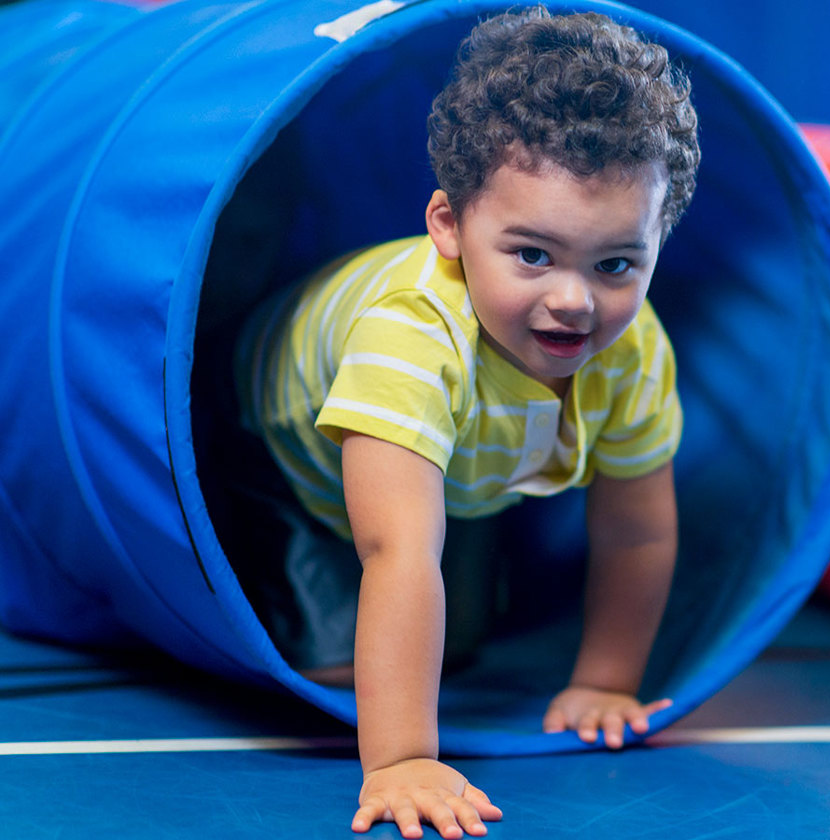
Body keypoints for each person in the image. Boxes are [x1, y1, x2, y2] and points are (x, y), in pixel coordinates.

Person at [232, 8, 700, 837]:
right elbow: (397, 550)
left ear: (657, 244)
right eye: (532, 254)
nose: (573, 299)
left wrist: (604, 679)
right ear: (449, 225)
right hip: (278, 455)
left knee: (463, 633)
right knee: (351, 661)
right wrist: (404, 757)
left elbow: (636, 530)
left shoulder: (633, 350)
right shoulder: (410, 338)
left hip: (461, 470)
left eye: (616, 263)